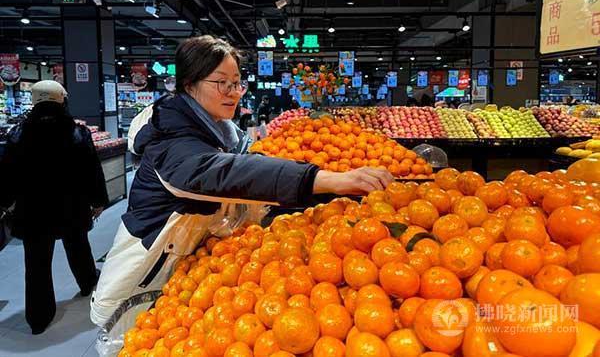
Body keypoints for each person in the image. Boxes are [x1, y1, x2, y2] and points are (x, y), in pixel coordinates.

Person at [90, 36, 393, 325]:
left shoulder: (219, 132)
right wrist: (323, 179)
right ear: (190, 84)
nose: (234, 92)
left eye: (237, 83)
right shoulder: (170, 140)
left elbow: (248, 167)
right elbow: (222, 173)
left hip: (182, 279)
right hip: (139, 288)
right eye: (222, 82)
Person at [0, 80, 107, 334]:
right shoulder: (78, 132)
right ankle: (88, 282)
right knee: (78, 247)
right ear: (62, 100)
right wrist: (98, 201)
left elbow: (7, 175)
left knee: (36, 264)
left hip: (32, 210)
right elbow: (91, 171)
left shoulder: (17, 133)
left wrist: (4, 203)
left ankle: (38, 318)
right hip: (72, 206)